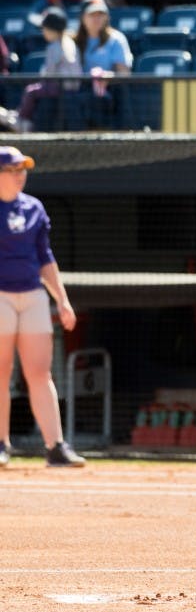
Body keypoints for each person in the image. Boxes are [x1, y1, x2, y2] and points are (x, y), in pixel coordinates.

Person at [0, 147, 84, 469]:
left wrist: (62, 299)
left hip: (33, 295)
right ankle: (1, 444)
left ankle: (55, 447)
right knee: (1, 372)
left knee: (39, 371)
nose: (20, 174)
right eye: (12, 169)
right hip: (1, 297)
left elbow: (45, 257)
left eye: (23, 169)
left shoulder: (34, 208)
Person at [4, 8, 82, 134]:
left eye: (45, 28)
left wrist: (42, 81)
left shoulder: (55, 46)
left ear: (52, 29)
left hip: (60, 86)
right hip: (70, 87)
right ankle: (19, 114)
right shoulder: (69, 42)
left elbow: (49, 73)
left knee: (31, 90)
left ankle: (20, 117)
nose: (43, 31)